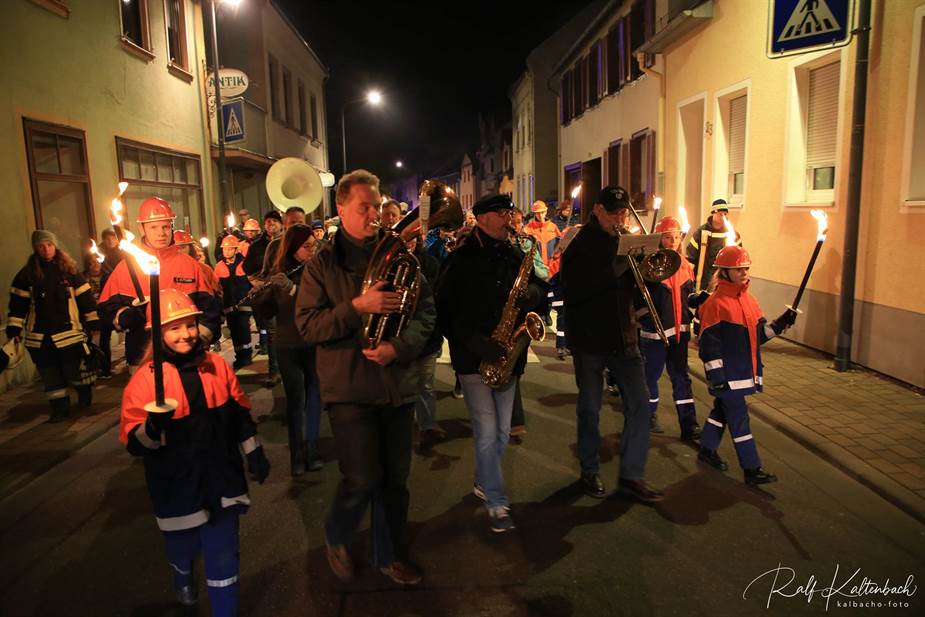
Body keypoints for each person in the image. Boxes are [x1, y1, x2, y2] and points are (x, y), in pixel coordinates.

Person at [295, 169, 434, 586]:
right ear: (341, 208)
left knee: (396, 481)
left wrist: (399, 347)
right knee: (362, 477)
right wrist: (358, 307)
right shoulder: (322, 264)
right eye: (364, 207)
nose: (374, 215)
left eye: (376, 206)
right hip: (349, 386)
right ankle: (337, 533)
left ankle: (388, 555)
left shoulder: (398, 255)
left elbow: (425, 312)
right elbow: (308, 326)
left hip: (395, 383)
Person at [119, 288, 269, 614]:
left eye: (190, 325)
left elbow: (239, 415)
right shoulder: (145, 381)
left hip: (221, 477)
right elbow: (134, 442)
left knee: (223, 555)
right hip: (177, 483)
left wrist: (253, 451)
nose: (185, 334)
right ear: (158, 334)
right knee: (182, 547)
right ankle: (183, 575)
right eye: (174, 328)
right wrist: (152, 428)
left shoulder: (216, 366)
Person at [436, 194, 547, 532]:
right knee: (487, 432)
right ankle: (497, 502)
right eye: (501, 213)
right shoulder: (460, 258)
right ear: (482, 218)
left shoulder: (515, 252)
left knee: (500, 432)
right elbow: (445, 312)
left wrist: (534, 295)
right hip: (474, 358)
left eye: (509, 213)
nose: (509, 219)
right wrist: (477, 344)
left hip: (508, 356)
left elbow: (540, 286)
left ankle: (484, 478)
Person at [560, 186, 664, 503]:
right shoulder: (578, 243)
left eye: (623, 213)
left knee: (641, 406)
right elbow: (572, 291)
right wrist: (617, 267)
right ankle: (589, 469)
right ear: (597, 210)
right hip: (590, 338)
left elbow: (637, 289)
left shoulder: (627, 241)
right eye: (614, 212)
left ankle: (632, 475)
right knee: (590, 408)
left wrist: (647, 269)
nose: (619, 219)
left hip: (623, 335)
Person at [695, 246, 797, 484]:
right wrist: (717, 376)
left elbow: (759, 336)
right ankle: (752, 468)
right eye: (738, 269)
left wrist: (781, 323)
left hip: (741, 372)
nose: (744, 273)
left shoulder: (750, 301)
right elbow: (708, 347)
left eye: (746, 269)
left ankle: (707, 449)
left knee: (721, 412)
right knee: (739, 419)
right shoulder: (715, 304)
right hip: (727, 376)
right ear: (724, 272)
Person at [98, 197, 221, 370]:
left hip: (186, 358)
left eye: (165, 226)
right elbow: (106, 309)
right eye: (153, 227)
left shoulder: (189, 265)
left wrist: (198, 342)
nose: (161, 233)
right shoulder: (126, 268)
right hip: (143, 357)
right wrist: (125, 316)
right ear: (142, 228)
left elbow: (211, 312)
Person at [252, 224, 324, 475]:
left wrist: (292, 289)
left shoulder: (318, 271)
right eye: (307, 246)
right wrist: (261, 295)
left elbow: (319, 302)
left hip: (313, 343)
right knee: (296, 401)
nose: (312, 250)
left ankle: (312, 450)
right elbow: (267, 312)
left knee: (314, 399)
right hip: (287, 345)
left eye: (314, 245)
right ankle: (297, 456)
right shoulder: (280, 272)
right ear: (293, 248)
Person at [7, 230, 99, 422]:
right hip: (40, 337)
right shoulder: (27, 275)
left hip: (69, 333)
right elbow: (17, 305)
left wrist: (93, 321)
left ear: (55, 246)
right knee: (50, 375)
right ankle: (59, 409)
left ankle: (84, 394)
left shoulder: (70, 271)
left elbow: (85, 299)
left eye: (49, 245)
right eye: (41, 246)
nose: (46, 249)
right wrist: (14, 329)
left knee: (74, 371)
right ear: (35, 249)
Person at [638, 216, 700, 440]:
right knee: (650, 376)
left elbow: (688, 298)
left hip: (680, 333)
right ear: (659, 239)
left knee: (681, 378)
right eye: (667, 237)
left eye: (676, 237)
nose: (672, 241)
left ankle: (689, 424)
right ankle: (648, 416)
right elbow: (639, 299)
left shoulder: (686, 266)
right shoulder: (650, 264)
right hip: (655, 334)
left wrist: (700, 299)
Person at [507, 209, 549, 445]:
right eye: (511, 222)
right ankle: (510, 420)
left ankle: (513, 419)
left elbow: (544, 273)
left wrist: (528, 259)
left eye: (518, 222)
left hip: (521, 313)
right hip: (501, 309)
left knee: (514, 369)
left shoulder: (527, 244)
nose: (515, 227)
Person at [685, 199, 742, 292]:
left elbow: (738, 260)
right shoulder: (701, 232)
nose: (723, 217)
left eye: (725, 214)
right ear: (713, 213)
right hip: (701, 284)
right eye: (720, 214)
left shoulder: (733, 234)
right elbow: (691, 257)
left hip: (723, 284)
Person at [214, 235, 253, 370]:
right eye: (225, 249)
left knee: (243, 328)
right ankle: (239, 356)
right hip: (229, 305)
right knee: (234, 331)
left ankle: (247, 355)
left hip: (244, 303)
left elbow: (251, 282)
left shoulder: (244, 264)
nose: (226, 252)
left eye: (230, 249)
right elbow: (217, 287)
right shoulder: (219, 267)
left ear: (236, 250)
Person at [523, 200, 561, 269]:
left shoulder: (553, 227)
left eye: (542, 212)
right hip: (536, 267)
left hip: (551, 266)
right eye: (538, 213)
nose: (540, 215)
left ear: (546, 212)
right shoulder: (527, 229)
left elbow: (560, 245)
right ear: (535, 213)